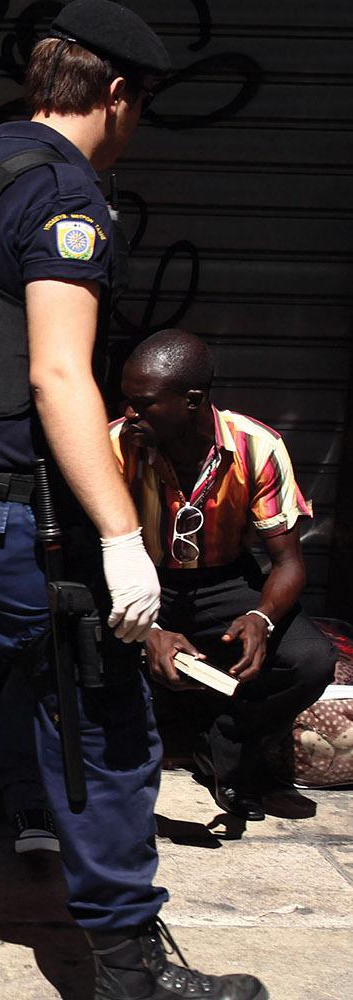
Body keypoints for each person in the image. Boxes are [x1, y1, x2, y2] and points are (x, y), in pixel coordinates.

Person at [0, 3, 266, 998]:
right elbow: (61, 378)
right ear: (117, 95)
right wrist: (123, 535)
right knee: (103, 721)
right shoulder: (63, 198)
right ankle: (130, 969)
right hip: (5, 519)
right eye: (141, 108)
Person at [114, 329, 334, 821]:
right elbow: (89, 560)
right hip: (135, 575)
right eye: (127, 402)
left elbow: (289, 562)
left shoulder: (256, 446)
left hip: (223, 580)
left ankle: (226, 748)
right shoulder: (115, 446)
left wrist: (262, 617)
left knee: (310, 660)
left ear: (192, 401)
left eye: (143, 404)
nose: (130, 414)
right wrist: (147, 629)